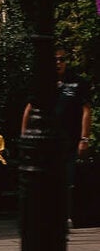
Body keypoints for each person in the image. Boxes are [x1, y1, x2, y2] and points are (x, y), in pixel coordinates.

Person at [22, 48, 93, 221]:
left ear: (66, 61)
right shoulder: (43, 82)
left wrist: (84, 138)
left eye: (61, 59)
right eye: (55, 60)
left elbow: (86, 110)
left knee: (67, 178)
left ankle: (66, 216)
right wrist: (24, 135)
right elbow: (29, 108)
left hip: (69, 138)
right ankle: (49, 214)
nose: (58, 63)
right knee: (47, 178)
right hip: (46, 140)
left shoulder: (76, 82)